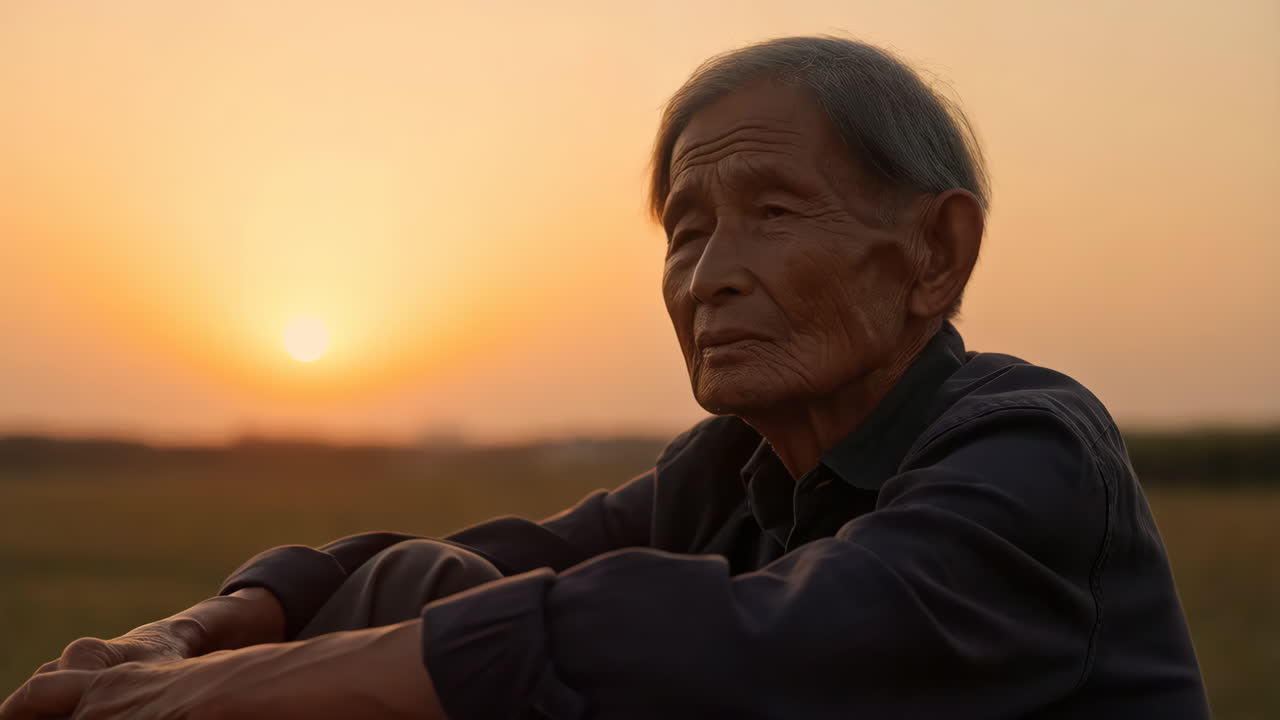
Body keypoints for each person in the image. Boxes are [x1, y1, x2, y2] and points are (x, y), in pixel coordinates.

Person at [1, 36, 1210, 720]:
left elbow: (741, 640)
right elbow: (504, 557)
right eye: (685, 230)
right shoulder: (731, 471)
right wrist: (194, 632)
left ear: (932, 254)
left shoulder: (1029, 450)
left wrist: (190, 700)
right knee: (409, 582)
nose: (709, 276)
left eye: (771, 212)